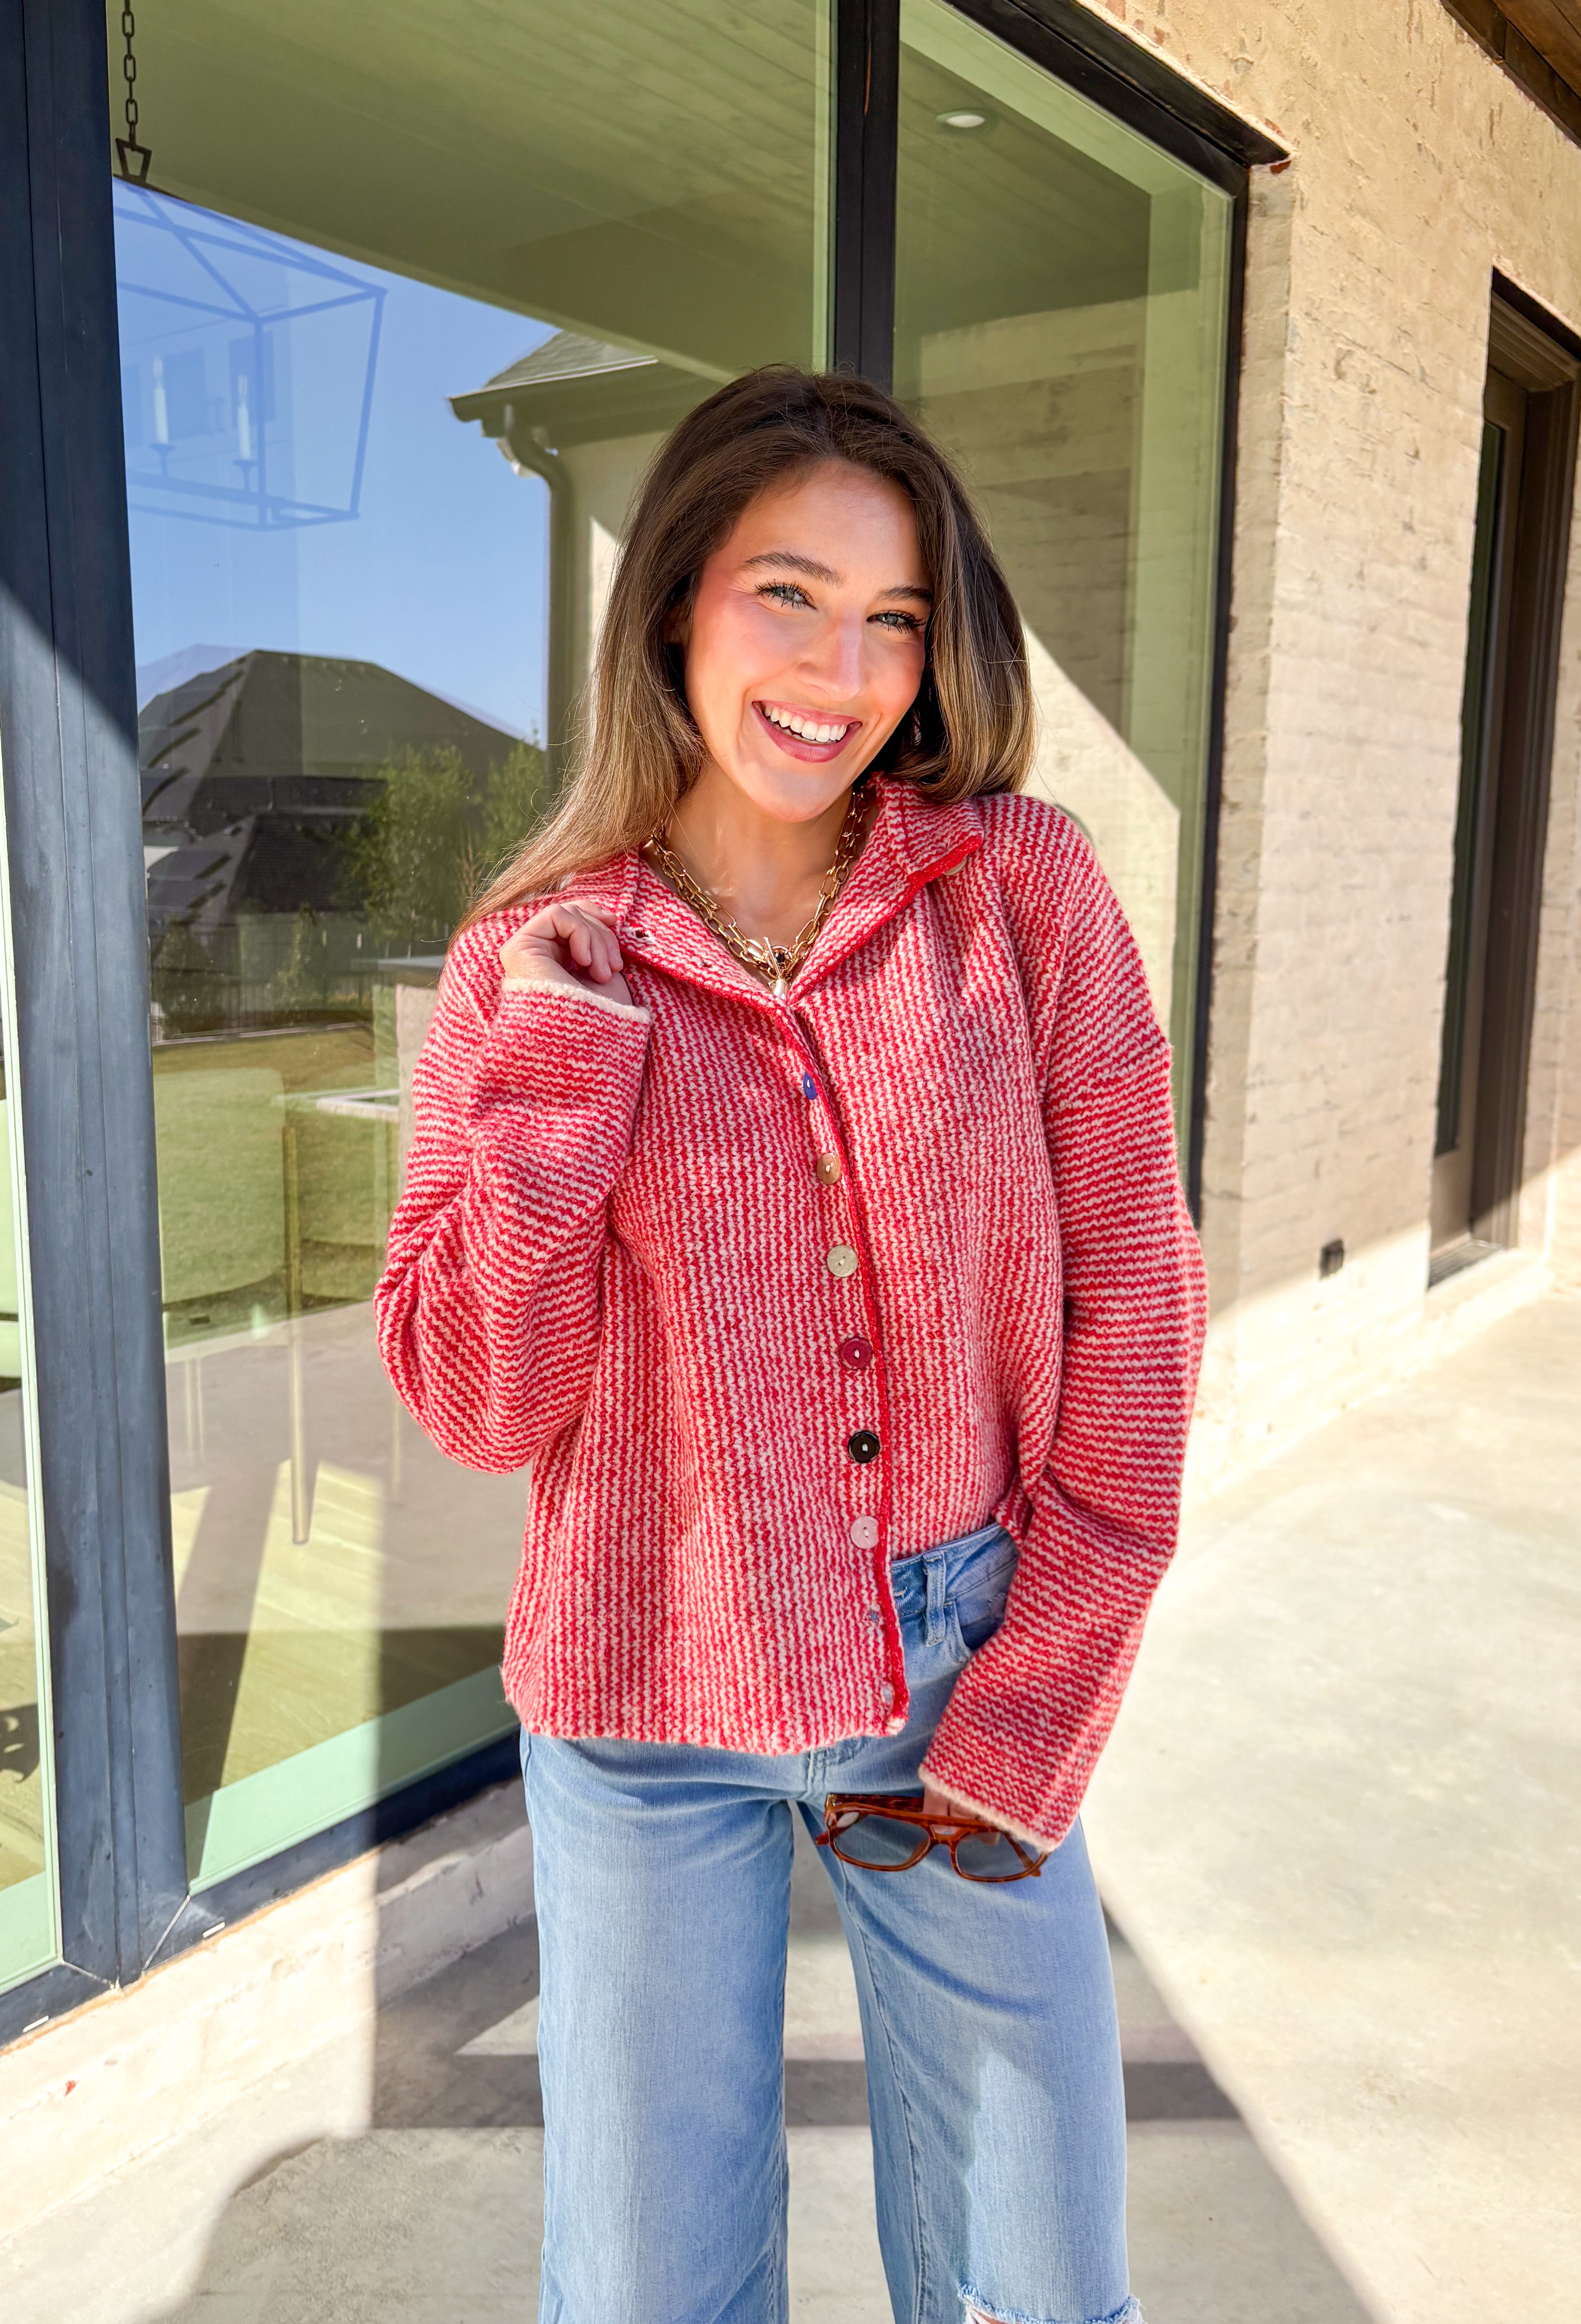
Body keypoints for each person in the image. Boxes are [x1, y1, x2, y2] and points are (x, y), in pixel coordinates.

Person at [375, 366, 1208, 2324]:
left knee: (1038, 2286)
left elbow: (1137, 1308)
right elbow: (486, 1403)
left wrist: (1040, 1693)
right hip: (633, 1693)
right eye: (786, 594)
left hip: (961, 1663)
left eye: (893, 619)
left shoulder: (1018, 897)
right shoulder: (530, 959)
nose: (841, 669)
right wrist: (565, 1078)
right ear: (674, 600)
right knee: (651, 2292)